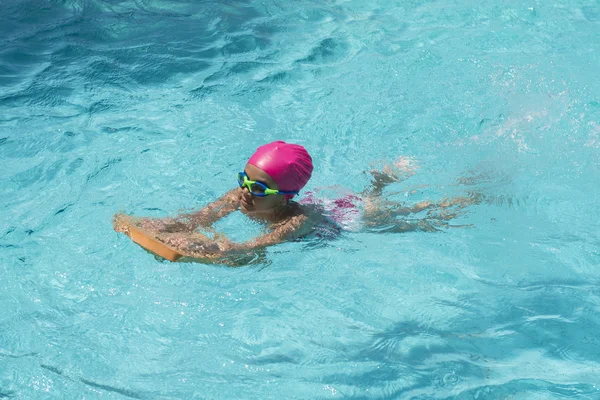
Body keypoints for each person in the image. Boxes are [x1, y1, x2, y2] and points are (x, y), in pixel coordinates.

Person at [114, 141, 479, 262]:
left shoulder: (296, 222)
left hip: (346, 219)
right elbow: (195, 219)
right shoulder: (241, 195)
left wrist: (207, 251)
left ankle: (470, 195)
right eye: (244, 179)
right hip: (326, 201)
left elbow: (250, 250)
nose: (244, 192)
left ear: (285, 197)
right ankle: (379, 181)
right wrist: (153, 226)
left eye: (258, 188)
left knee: (419, 217)